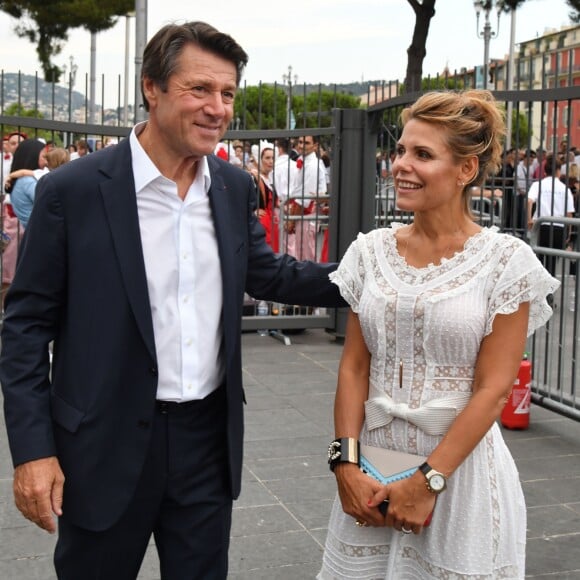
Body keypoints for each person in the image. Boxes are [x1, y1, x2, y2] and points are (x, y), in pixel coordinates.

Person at [0, 21, 345, 580]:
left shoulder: (231, 189)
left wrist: (384, 274)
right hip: (102, 445)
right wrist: (33, 452)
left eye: (227, 93)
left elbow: (272, 274)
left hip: (207, 442)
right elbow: (25, 327)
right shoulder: (75, 192)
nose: (218, 108)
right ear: (152, 88)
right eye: (199, 90)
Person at [318, 90, 558, 579]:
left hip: (461, 475)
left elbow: (493, 390)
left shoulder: (506, 264)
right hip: (372, 472)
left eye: (423, 155)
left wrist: (428, 481)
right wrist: (344, 463)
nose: (401, 165)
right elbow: (355, 366)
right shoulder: (369, 253)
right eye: (402, 150)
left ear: (466, 170)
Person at [527, 153, 575, 276]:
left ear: (545, 170)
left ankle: (540, 289)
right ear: (558, 170)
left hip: (542, 226)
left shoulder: (538, 184)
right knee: (553, 262)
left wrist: (529, 219)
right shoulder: (565, 188)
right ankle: (549, 291)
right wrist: (569, 232)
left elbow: (529, 200)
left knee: (539, 260)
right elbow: (569, 213)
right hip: (559, 227)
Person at [4, 138, 47, 228]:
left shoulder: (21, 179)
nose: (46, 161)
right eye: (44, 157)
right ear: (32, 157)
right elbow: (48, 203)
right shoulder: (27, 181)